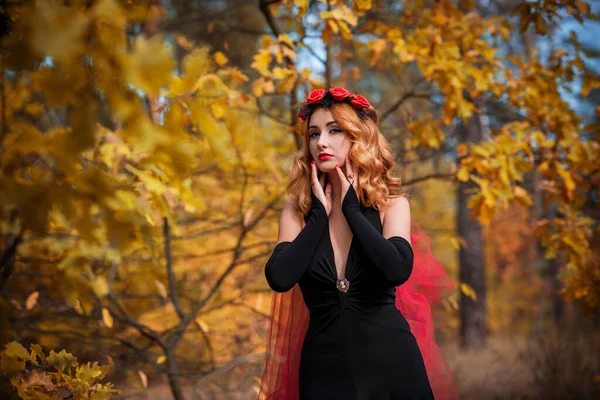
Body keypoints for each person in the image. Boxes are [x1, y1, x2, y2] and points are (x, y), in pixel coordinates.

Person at [258, 88, 459, 400]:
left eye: (334, 130)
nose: (320, 142)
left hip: (393, 367)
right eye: (314, 133)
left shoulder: (391, 205)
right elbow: (279, 277)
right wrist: (318, 218)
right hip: (324, 372)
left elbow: (396, 269)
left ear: (358, 138)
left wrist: (352, 210)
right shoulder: (297, 212)